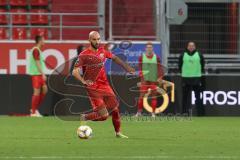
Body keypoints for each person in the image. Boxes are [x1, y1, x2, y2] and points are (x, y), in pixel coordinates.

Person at [72, 31, 135, 138]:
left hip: (105, 85)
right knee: (104, 116)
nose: (97, 41)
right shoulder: (84, 55)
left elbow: (114, 58)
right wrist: (83, 81)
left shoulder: (102, 51)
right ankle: (85, 117)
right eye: (94, 39)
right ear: (89, 40)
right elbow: (74, 71)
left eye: (98, 39)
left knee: (115, 109)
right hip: (93, 88)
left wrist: (126, 67)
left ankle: (118, 133)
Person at [135, 42, 163, 117]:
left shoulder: (156, 57)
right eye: (148, 47)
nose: (149, 49)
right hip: (145, 80)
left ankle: (153, 113)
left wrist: (160, 77)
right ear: (145, 49)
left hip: (153, 80)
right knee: (141, 96)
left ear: (152, 48)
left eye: (150, 47)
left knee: (153, 97)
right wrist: (141, 78)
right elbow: (140, 68)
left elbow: (160, 68)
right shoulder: (141, 57)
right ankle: (139, 112)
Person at [179, 41, 205, 116]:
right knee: (185, 98)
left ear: (195, 47)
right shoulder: (183, 55)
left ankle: (200, 114)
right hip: (185, 79)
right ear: (187, 47)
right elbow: (180, 65)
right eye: (189, 46)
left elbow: (202, 65)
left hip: (196, 79)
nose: (191, 47)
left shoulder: (199, 55)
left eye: (192, 46)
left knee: (198, 97)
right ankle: (184, 113)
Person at [29, 35, 48, 117]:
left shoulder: (39, 51)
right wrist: (43, 74)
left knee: (44, 89)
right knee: (36, 92)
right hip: (36, 74)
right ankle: (33, 112)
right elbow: (37, 63)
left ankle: (34, 108)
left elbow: (39, 62)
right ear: (40, 41)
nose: (45, 41)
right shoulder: (36, 50)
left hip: (39, 74)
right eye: (43, 40)